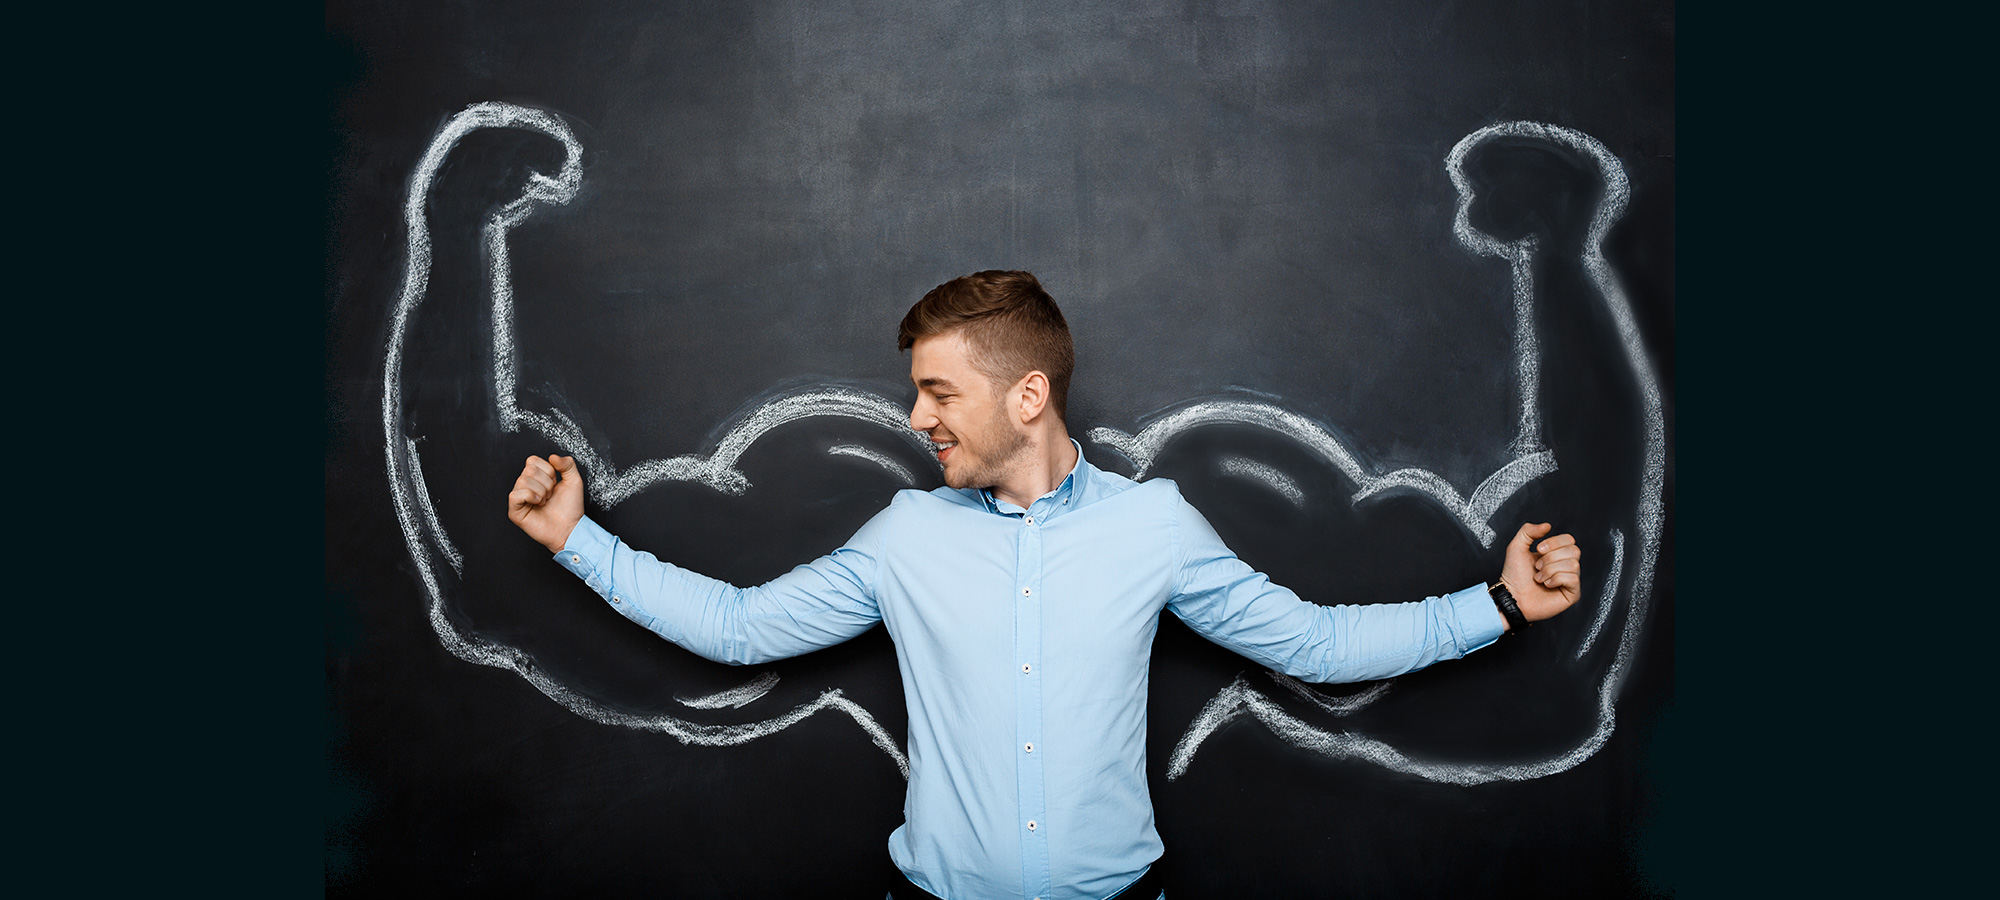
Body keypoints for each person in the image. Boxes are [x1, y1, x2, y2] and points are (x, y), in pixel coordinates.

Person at [506, 270, 1582, 900]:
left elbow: (1309, 645)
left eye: (936, 392)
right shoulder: (904, 535)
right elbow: (739, 629)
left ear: (1028, 394)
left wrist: (1493, 606)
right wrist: (576, 542)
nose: (916, 418)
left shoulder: (1151, 526)